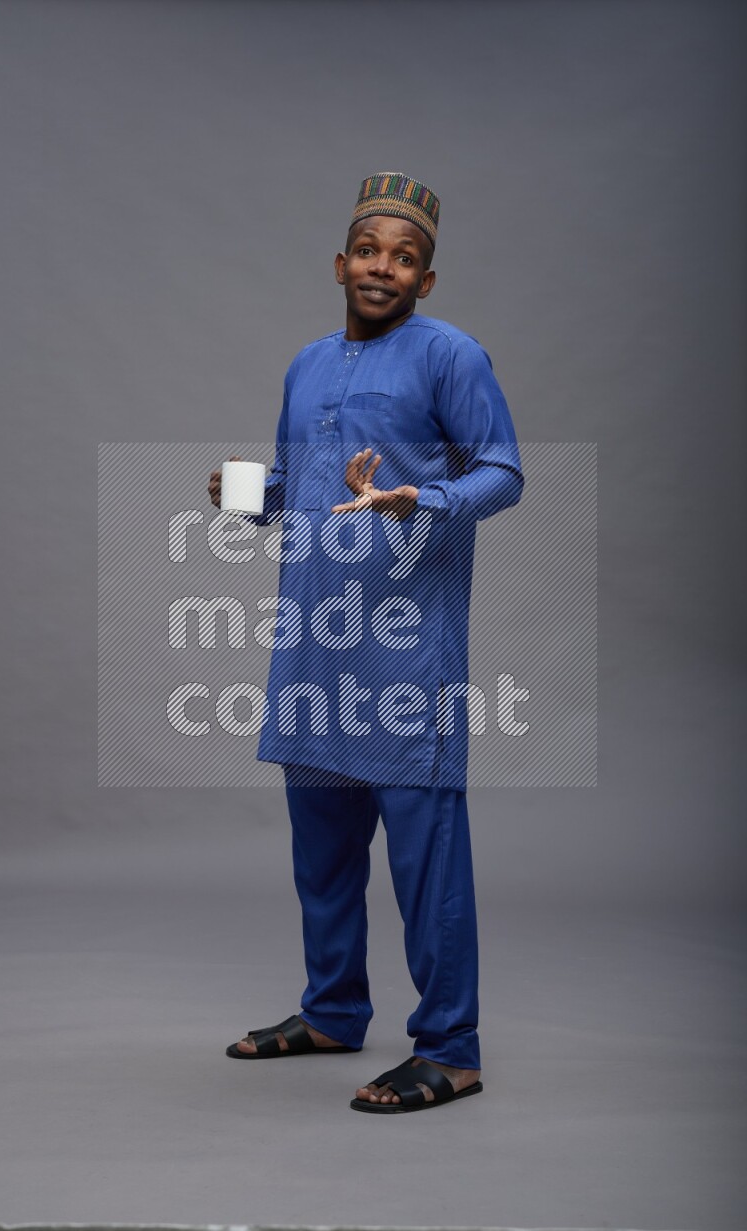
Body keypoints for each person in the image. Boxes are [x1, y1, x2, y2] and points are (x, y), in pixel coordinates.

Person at [208, 172, 523, 1113]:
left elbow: (504, 472)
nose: (384, 267)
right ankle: (334, 1009)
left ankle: (453, 1047)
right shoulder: (307, 365)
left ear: (426, 280)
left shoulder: (452, 355)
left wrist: (418, 499)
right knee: (324, 851)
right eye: (371, 251)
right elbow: (303, 489)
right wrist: (241, 493)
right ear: (341, 264)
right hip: (313, 643)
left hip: (403, 651)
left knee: (424, 855)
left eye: (406, 256)